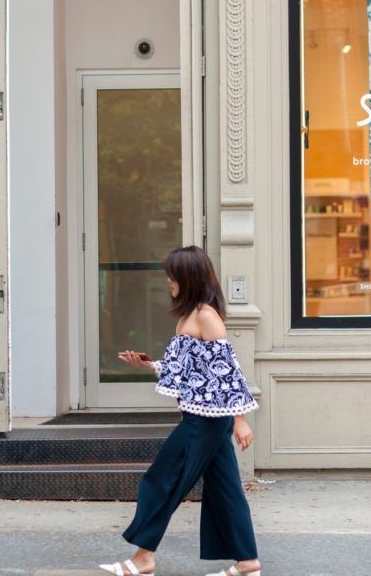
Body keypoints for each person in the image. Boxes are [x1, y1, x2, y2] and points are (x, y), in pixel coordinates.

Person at [99, 245, 262, 576]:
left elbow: (227, 370)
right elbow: (189, 371)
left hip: (205, 422)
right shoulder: (190, 314)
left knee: (161, 480)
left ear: (188, 277)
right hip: (203, 419)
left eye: (172, 275)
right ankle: (248, 563)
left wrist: (239, 419)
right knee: (226, 489)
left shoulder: (206, 315)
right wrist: (146, 365)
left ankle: (143, 559)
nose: (168, 281)